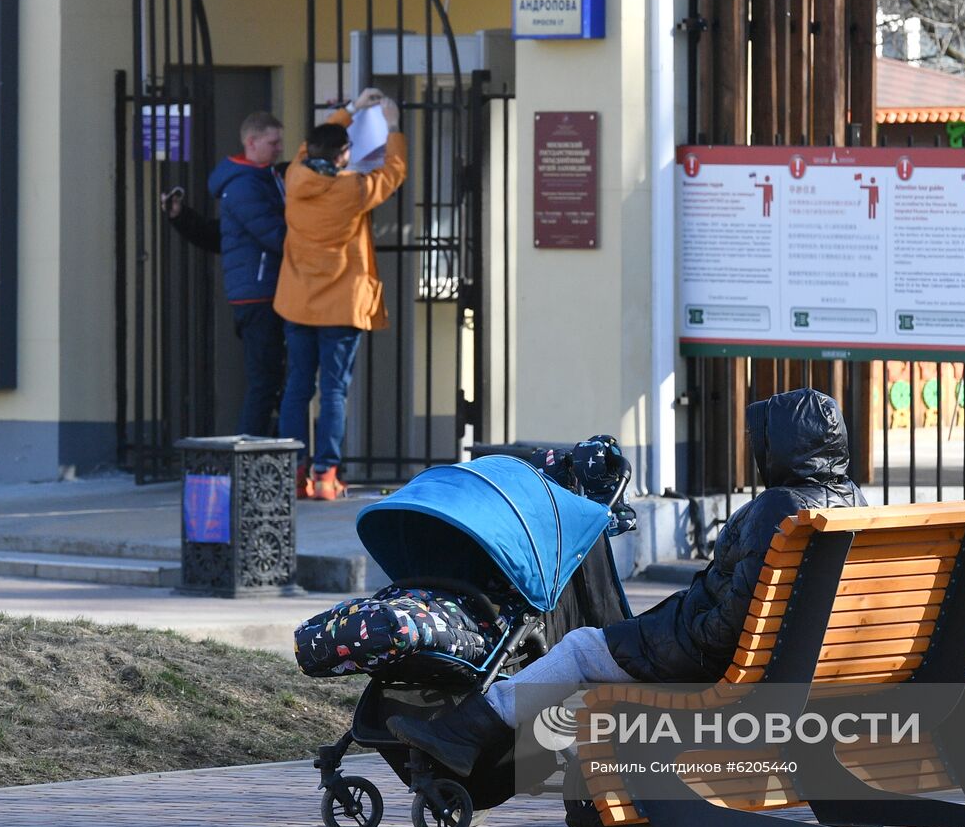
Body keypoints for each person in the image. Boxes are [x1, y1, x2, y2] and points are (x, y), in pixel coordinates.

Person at [387, 387, 869, 777]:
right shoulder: (855, 504)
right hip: (807, 662)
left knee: (580, 649)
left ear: (784, 446)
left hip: (721, 663)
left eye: (762, 439)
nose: (756, 449)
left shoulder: (777, 509)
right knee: (599, 648)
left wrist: (672, 630)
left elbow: (726, 629)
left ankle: (464, 734)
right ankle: (507, 750)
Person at [273, 88, 405, 500]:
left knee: (297, 387)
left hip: (298, 302)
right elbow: (393, 171)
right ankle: (327, 476)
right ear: (343, 156)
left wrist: (348, 111)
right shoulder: (352, 190)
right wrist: (393, 124)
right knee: (333, 391)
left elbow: (308, 146)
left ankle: (293, 473)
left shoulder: (295, 177)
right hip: (342, 304)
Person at [204, 111, 289, 436]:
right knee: (264, 380)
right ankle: (251, 453)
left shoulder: (261, 177)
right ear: (251, 142)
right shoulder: (244, 185)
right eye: (273, 142)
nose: (279, 148)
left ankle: (261, 451)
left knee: (270, 378)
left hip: (261, 288)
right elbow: (275, 235)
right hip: (258, 292)